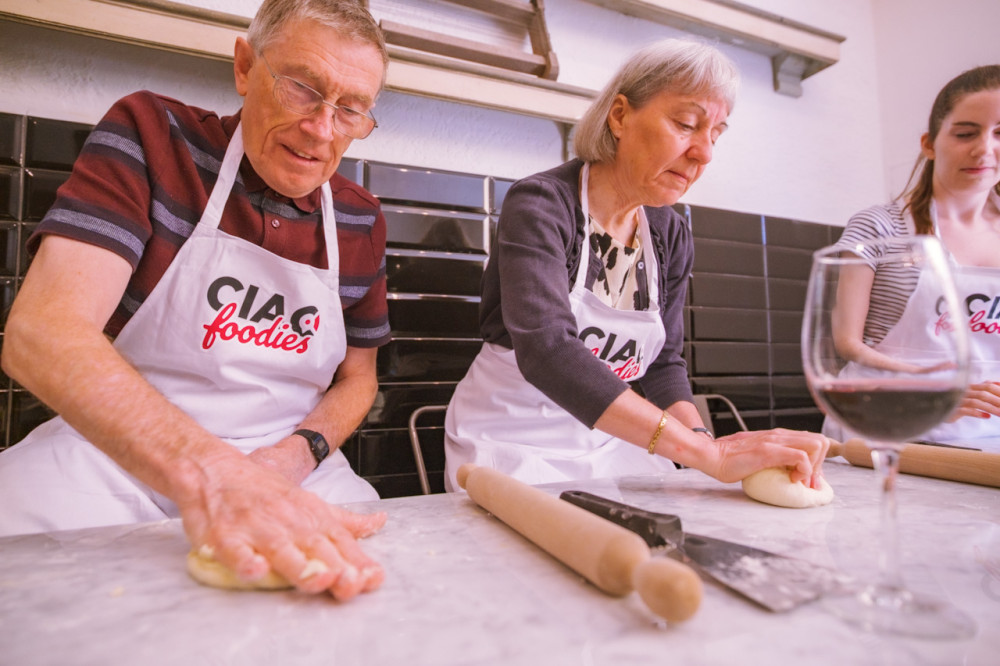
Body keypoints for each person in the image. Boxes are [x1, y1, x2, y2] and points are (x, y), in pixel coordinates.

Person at [0, 0, 392, 600]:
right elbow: (42, 334)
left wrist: (291, 459)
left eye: (351, 109)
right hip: (112, 457)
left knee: (377, 592)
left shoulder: (361, 218)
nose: (322, 128)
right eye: (301, 89)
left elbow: (358, 380)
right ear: (244, 66)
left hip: (288, 470)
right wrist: (216, 474)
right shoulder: (153, 137)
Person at [443, 39, 830, 491]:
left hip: (614, 441)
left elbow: (663, 364)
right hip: (513, 442)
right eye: (687, 124)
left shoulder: (669, 233)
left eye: (716, 134)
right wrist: (706, 455)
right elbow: (548, 352)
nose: (703, 153)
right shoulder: (542, 205)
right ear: (621, 115)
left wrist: (703, 441)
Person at [827, 64, 1000, 452]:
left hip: (988, 444)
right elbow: (847, 343)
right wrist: (935, 391)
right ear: (929, 143)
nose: (984, 148)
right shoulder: (878, 227)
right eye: (966, 133)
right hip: (885, 426)